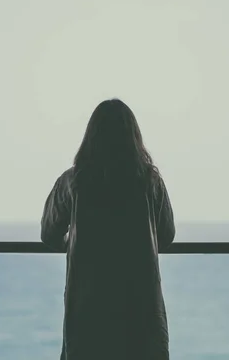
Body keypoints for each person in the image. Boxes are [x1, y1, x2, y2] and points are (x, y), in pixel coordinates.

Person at [40, 98, 175, 360]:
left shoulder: (74, 181)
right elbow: (166, 235)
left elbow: (49, 234)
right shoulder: (149, 181)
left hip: (89, 308)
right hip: (140, 307)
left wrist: (74, 241)